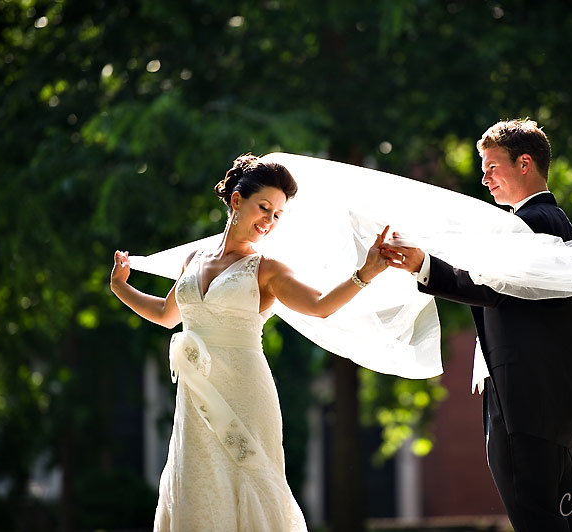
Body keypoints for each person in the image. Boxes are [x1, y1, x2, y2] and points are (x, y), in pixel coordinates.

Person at [110, 154, 389, 531]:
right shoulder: (194, 258)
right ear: (237, 200)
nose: (269, 221)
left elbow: (320, 306)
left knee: (249, 480)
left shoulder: (267, 268)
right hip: (195, 398)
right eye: (264, 207)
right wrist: (120, 286)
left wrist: (365, 273)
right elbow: (165, 314)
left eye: (277, 214)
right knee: (199, 482)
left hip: (244, 392)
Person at [381, 119, 572, 532]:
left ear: (525, 163)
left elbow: (490, 287)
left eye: (493, 166)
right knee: (566, 523)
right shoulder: (553, 220)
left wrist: (423, 265)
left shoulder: (533, 223)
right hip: (549, 409)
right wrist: (422, 264)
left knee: (538, 522)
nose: (484, 177)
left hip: (523, 406)